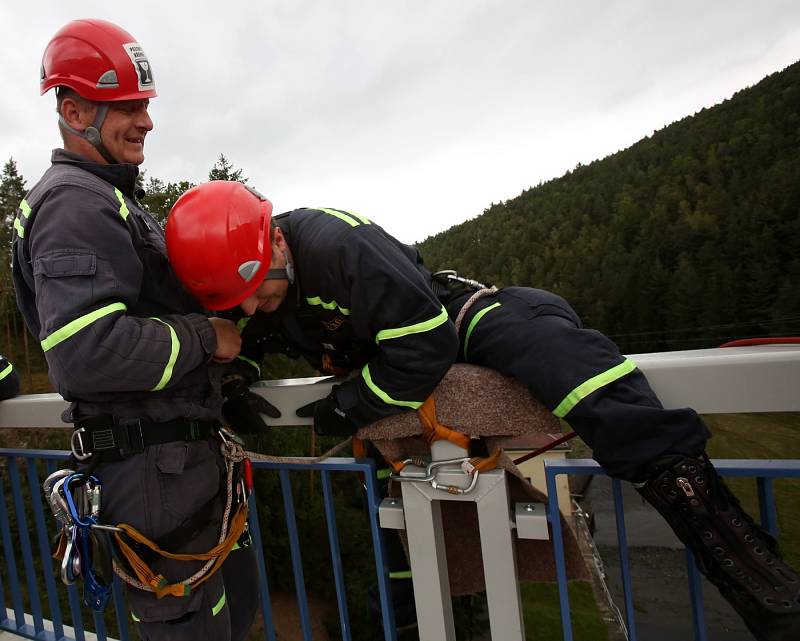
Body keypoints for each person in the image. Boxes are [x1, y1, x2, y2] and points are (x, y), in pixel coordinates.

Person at [166, 180, 798, 641]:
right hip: (394, 339)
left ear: (276, 240)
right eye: (241, 301)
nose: (253, 309)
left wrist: (353, 405)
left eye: (260, 294)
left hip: (465, 316)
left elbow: (424, 345)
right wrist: (239, 379)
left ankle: (756, 577)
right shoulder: (247, 278)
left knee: (575, 376)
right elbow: (246, 337)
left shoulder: (339, 246)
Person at [11, 21, 257, 641]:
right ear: (72, 109)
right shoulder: (75, 205)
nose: (145, 120)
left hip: (174, 471)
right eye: (126, 106)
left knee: (232, 613)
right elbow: (85, 354)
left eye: (143, 105)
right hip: (156, 481)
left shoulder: (103, 198)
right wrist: (207, 337)